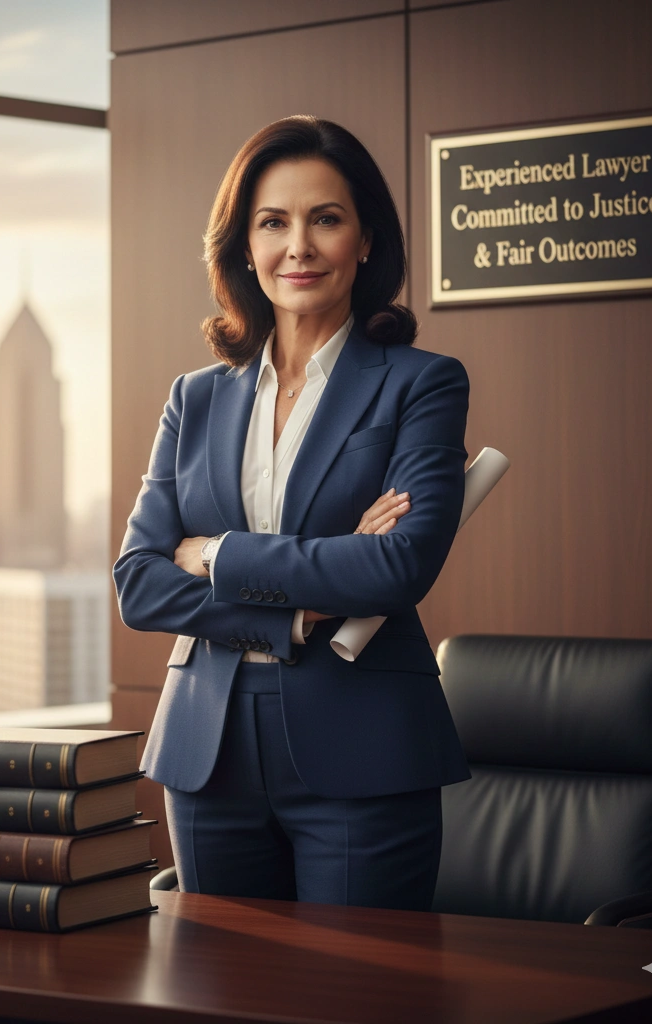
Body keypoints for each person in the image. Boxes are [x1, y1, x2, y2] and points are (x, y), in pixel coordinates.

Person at [113, 115, 471, 910]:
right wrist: (296, 615)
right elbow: (138, 583)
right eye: (273, 222)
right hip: (208, 748)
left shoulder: (421, 383)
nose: (298, 246)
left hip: (366, 746)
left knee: (358, 994)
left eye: (326, 219)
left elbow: (398, 564)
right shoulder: (194, 397)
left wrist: (214, 555)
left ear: (366, 239)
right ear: (243, 244)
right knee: (221, 993)